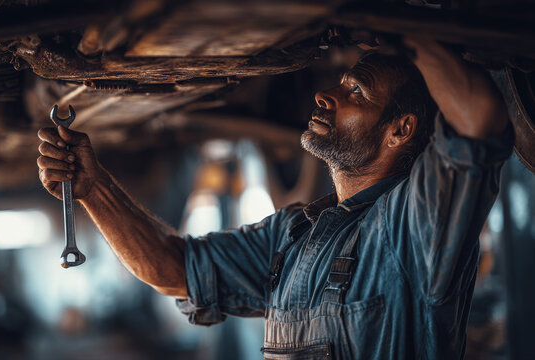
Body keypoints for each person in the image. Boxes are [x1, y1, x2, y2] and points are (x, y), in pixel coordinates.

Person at [36, 37, 514, 359]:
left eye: (355, 90)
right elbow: (174, 269)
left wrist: (403, 30)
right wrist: (94, 189)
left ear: (401, 130)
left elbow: (480, 122)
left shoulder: (412, 225)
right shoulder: (293, 237)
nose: (326, 93)